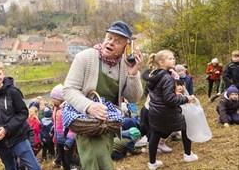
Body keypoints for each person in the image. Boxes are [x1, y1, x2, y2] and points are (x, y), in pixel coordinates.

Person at [63, 21, 144, 170]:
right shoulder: (85, 57)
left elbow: (134, 98)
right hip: (86, 121)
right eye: (109, 38)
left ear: (126, 47)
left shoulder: (124, 65)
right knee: (93, 162)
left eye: (118, 41)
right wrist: (89, 106)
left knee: (104, 158)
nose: (111, 43)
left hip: (107, 124)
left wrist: (133, 74)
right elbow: (69, 89)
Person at [0, 58, 40, 170]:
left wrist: (6, 129)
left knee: (34, 167)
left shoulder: (13, 91)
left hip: (18, 138)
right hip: (0, 142)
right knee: (10, 167)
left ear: (3, 74)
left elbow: (23, 113)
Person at [146, 50, 197, 170]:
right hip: (167, 112)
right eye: (170, 58)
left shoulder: (153, 75)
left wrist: (174, 95)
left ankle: (152, 163)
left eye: (173, 58)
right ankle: (188, 155)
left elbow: (159, 94)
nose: (173, 60)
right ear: (162, 63)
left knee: (155, 134)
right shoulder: (167, 78)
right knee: (185, 128)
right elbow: (169, 100)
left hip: (155, 111)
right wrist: (185, 99)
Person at [51, 84, 76, 170]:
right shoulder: (55, 108)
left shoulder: (67, 109)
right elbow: (56, 122)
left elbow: (71, 127)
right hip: (59, 139)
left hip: (66, 140)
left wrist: (69, 141)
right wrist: (53, 130)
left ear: (62, 99)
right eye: (52, 98)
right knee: (63, 160)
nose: (53, 100)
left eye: (55, 98)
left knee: (69, 159)